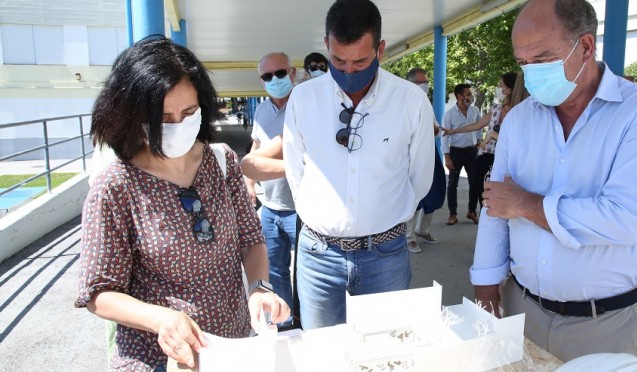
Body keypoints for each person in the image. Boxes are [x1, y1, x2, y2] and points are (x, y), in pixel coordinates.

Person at [470, 0, 637, 362]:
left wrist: (526, 204)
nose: (531, 74)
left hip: (604, 323)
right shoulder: (519, 120)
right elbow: (495, 206)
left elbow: (622, 219)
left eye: (544, 59)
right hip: (521, 308)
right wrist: (485, 282)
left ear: (587, 46)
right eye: (523, 63)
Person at [74, 37, 289, 371]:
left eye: (188, 113)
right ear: (133, 116)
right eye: (163, 118)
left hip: (231, 348)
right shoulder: (116, 185)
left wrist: (259, 289)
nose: (177, 126)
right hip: (157, 359)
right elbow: (99, 292)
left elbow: (251, 239)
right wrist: (161, 319)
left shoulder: (222, 162)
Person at [282, 0, 435, 330]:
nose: (349, 70)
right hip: (317, 256)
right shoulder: (303, 99)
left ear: (380, 49)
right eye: (338, 60)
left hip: (386, 255)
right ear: (326, 45)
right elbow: (295, 171)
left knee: (384, 356)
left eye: (361, 61)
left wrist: (381, 218)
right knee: (322, 357)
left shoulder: (411, 101)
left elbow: (419, 178)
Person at [245, 52, 299, 327]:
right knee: (275, 272)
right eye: (267, 76)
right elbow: (256, 146)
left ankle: (306, 324)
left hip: (300, 210)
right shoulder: (263, 109)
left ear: (293, 72)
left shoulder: (304, 105)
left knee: (305, 274)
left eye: (280, 73)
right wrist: (250, 183)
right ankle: (285, 324)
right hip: (270, 207)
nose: (274, 80)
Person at [443, 72, 517, 211]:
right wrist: (453, 131)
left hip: (506, 157)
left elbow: (515, 140)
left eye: (500, 85)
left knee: (500, 188)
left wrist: (492, 136)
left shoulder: (519, 111)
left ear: (509, 90)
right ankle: (483, 212)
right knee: (479, 185)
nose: (497, 88)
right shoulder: (496, 109)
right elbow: (477, 125)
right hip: (487, 155)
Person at [404, 67, 446, 253]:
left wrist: (431, 129)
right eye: (422, 82)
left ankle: (423, 229)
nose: (426, 86)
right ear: (410, 83)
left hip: (430, 152)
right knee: (412, 194)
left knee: (435, 191)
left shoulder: (426, 103)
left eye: (426, 82)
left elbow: (436, 129)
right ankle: (409, 237)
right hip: (409, 155)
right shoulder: (401, 103)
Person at [442, 83, 482, 225]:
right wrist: (447, 157)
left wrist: (479, 142)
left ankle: (472, 211)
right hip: (456, 152)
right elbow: (444, 136)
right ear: (460, 96)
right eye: (468, 94)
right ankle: (453, 214)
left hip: (472, 152)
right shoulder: (449, 115)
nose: (471, 97)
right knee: (452, 184)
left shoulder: (475, 111)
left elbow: (479, 128)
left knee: (475, 183)